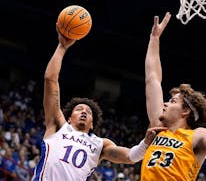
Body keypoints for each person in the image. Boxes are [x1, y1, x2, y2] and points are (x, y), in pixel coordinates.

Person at [31, 27, 167, 181]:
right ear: (69, 118)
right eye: (79, 109)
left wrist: (146, 143)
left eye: (88, 112)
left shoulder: (100, 144)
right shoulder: (57, 125)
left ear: (92, 124)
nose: (84, 112)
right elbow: (50, 80)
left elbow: (131, 156)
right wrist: (62, 47)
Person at [141, 12, 206, 180]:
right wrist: (154, 39)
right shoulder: (157, 126)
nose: (165, 104)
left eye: (173, 101)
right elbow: (152, 79)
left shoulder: (198, 136)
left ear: (185, 111)